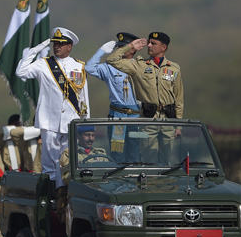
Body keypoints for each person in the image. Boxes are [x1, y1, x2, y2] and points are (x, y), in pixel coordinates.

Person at [15, 27, 89, 200]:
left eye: (61, 44)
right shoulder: (43, 63)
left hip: (71, 120)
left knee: (67, 161)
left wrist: (85, 120)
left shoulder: (79, 66)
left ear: (69, 47)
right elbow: (21, 72)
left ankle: (64, 194)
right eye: (55, 44)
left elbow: (83, 95)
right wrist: (35, 50)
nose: (57, 47)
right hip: (49, 120)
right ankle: (50, 197)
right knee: (49, 163)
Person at [106, 32, 184, 164]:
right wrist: (130, 46)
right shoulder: (139, 65)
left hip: (168, 121)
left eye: (153, 43)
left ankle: (165, 185)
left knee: (167, 162)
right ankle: (152, 184)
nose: (149, 45)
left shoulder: (174, 69)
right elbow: (112, 60)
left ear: (163, 47)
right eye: (148, 42)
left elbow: (179, 98)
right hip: (149, 120)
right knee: (149, 161)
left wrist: (179, 125)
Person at [85, 32, 142, 162]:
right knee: (117, 153)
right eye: (119, 47)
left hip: (136, 117)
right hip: (117, 117)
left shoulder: (139, 65)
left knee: (135, 152)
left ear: (132, 49)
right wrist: (101, 51)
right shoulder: (110, 67)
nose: (119, 50)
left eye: (124, 47)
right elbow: (89, 68)